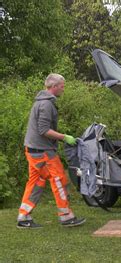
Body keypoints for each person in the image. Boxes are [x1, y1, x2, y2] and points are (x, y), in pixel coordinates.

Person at [17, 73, 86, 229]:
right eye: (62, 86)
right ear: (54, 86)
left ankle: (23, 216)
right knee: (59, 179)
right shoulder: (46, 104)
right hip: (43, 152)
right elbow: (43, 130)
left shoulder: (42, 102)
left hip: (33, 150)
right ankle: (66, 216)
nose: (63, 89)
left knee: (36, 183)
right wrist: (64, 137)